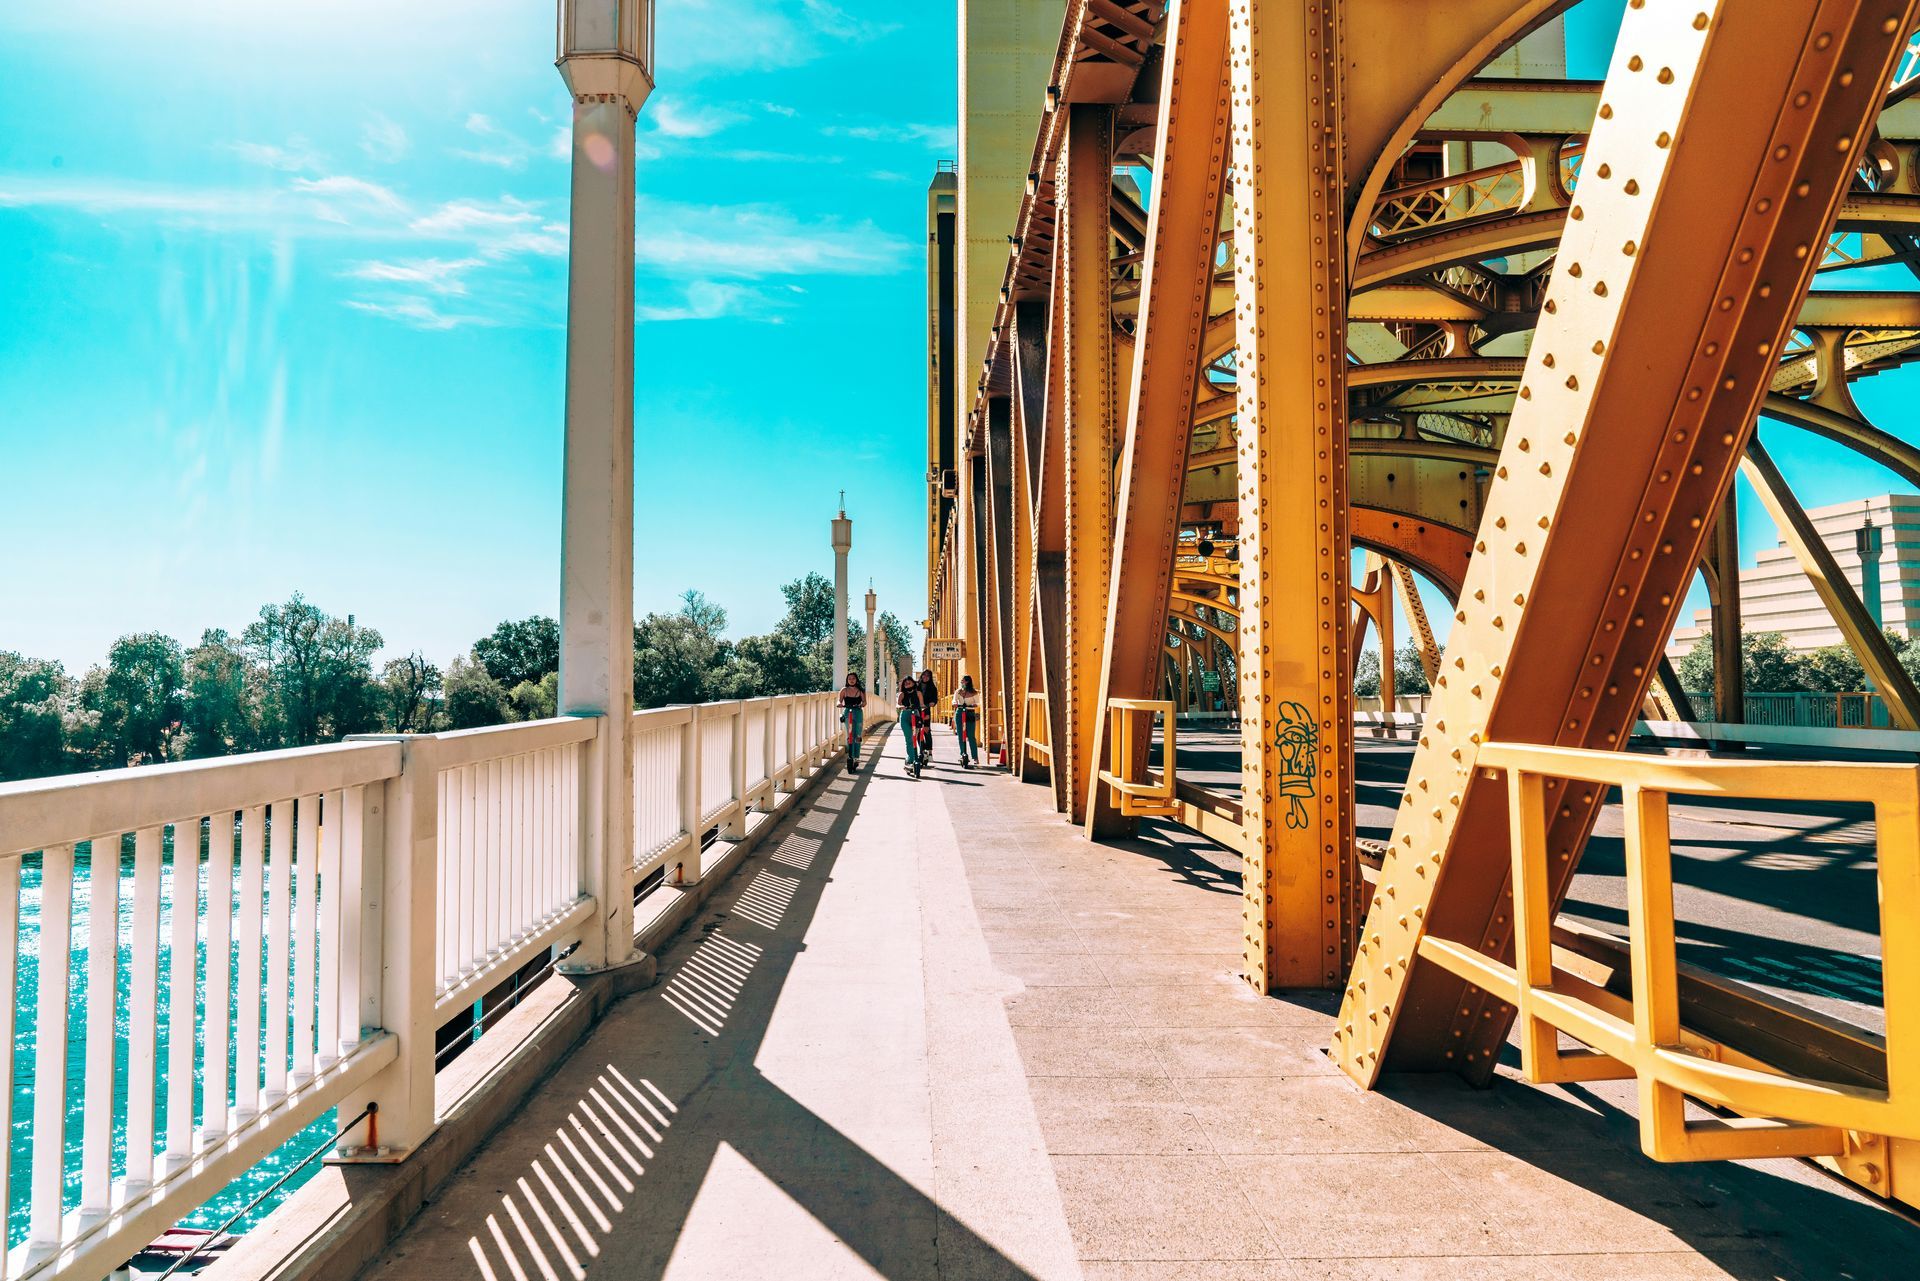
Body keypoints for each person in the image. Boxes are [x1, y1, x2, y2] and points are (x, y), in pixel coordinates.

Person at [896, 674, 925, 778]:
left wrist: (923, 707)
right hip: (905, 716)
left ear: (913, 682)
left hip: (916, 715)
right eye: (905, 682)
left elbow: (922, 704)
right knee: (909, 738)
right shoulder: (902, 694)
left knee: (914, 738)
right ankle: (912, 760)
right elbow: (898, 704)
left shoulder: (918, 693)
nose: (907, 683)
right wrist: (901, 706)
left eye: (909, 681)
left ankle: (912, 759)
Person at [837, 672, 867, 769]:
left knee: (857, 735)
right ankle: (851, 756)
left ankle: (856, 757)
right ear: (847, 680)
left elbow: (864, 702)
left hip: (857, 712)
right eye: (849, 678)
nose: (851, 680)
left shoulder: (860, 690)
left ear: (856, 679)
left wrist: (861, 704)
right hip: (847, 712)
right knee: (850, 735)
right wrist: (839, 704)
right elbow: (839, 700)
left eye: (853, 678)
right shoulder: (844, 690)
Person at [952, 675, 982, 768]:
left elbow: (978, 703)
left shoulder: (974, 692)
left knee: (971, 736)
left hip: (969, 712)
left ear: (968, 682)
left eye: (963, 681)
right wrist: (955, 704)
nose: (962, 683)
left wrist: (974, 705)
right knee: (961, 735)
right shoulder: (958, 691)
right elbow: (954, 700)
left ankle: (975, 757)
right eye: (961, 681)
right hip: (960, 712)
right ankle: (963, 754)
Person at [917, 669, 941, 763]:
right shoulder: (917, 685)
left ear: (930, 677)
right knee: (918, 730)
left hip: (926, 709)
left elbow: (935, 699)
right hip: (917, 710)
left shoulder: (932, 687)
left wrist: (933, 703)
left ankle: (930, 752)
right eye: (924, 675)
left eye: (927, 676)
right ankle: (922, 750)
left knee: (926, 730)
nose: (925, 677)